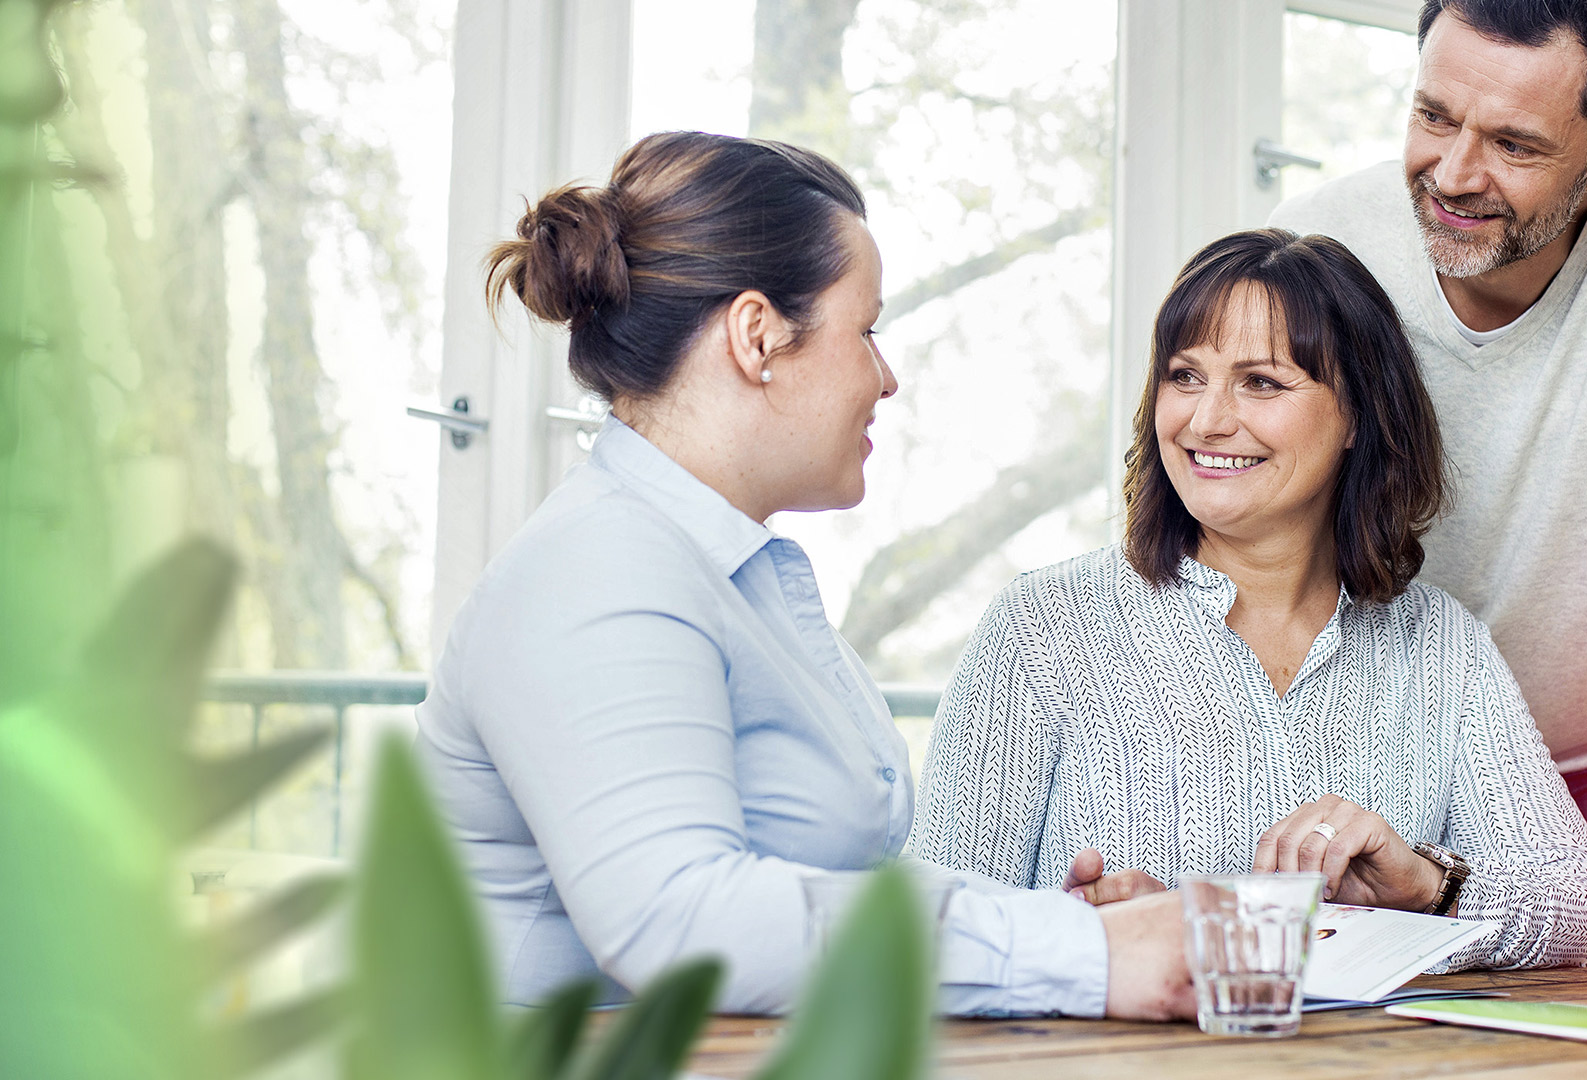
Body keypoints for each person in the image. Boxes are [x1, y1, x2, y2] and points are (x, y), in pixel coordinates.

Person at [412, 131, 1192, 1020]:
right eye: (865, 331)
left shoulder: (722, 571)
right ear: (757, 337)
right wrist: (1079, 954)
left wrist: (1040, 922)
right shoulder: (597, 575)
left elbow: (821, 889)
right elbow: (685, 924)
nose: (886, 377)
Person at [908, 228, 1587, 971]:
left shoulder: (1440, 644)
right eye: (1185, 376)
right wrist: (1082, 938)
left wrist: (1428, 886)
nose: (1206, 419)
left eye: (1261, 382)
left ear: (1357, 415)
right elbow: (924, 927)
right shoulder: (1045, 627)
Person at [1266, 0, 1587, 1002]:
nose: (1456, 174)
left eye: (1513, 143)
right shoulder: (1320, 251)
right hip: (1376, 784)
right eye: (1434, 117)